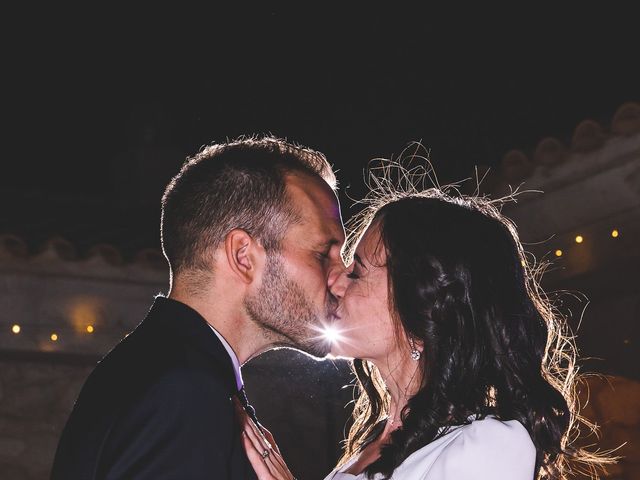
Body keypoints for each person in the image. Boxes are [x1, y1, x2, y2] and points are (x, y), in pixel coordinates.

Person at [241, 164, 611, 479]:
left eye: (357, 272)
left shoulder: (492, 445)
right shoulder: (371, 444)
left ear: (422, 310)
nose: (335, 281)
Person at [51, 136, 347, 479]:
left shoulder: (159, 369)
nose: (341, 279)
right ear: (243, 256)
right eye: (323, 254)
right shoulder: (183, 392)